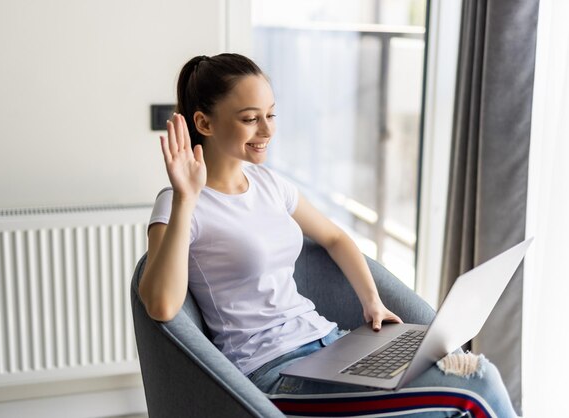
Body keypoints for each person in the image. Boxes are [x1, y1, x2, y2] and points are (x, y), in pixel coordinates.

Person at [139, 53, 517, 417]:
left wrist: (372, 302)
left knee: (467, 370)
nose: (267, 130)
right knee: (476, 386)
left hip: (331, 345)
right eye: (250, 118)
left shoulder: (269, 184)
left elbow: (335, 238)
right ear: (204, 124)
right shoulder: (178, 202)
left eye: (271, 115)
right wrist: (187, 198)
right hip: (275, 375)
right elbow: (160, 305)